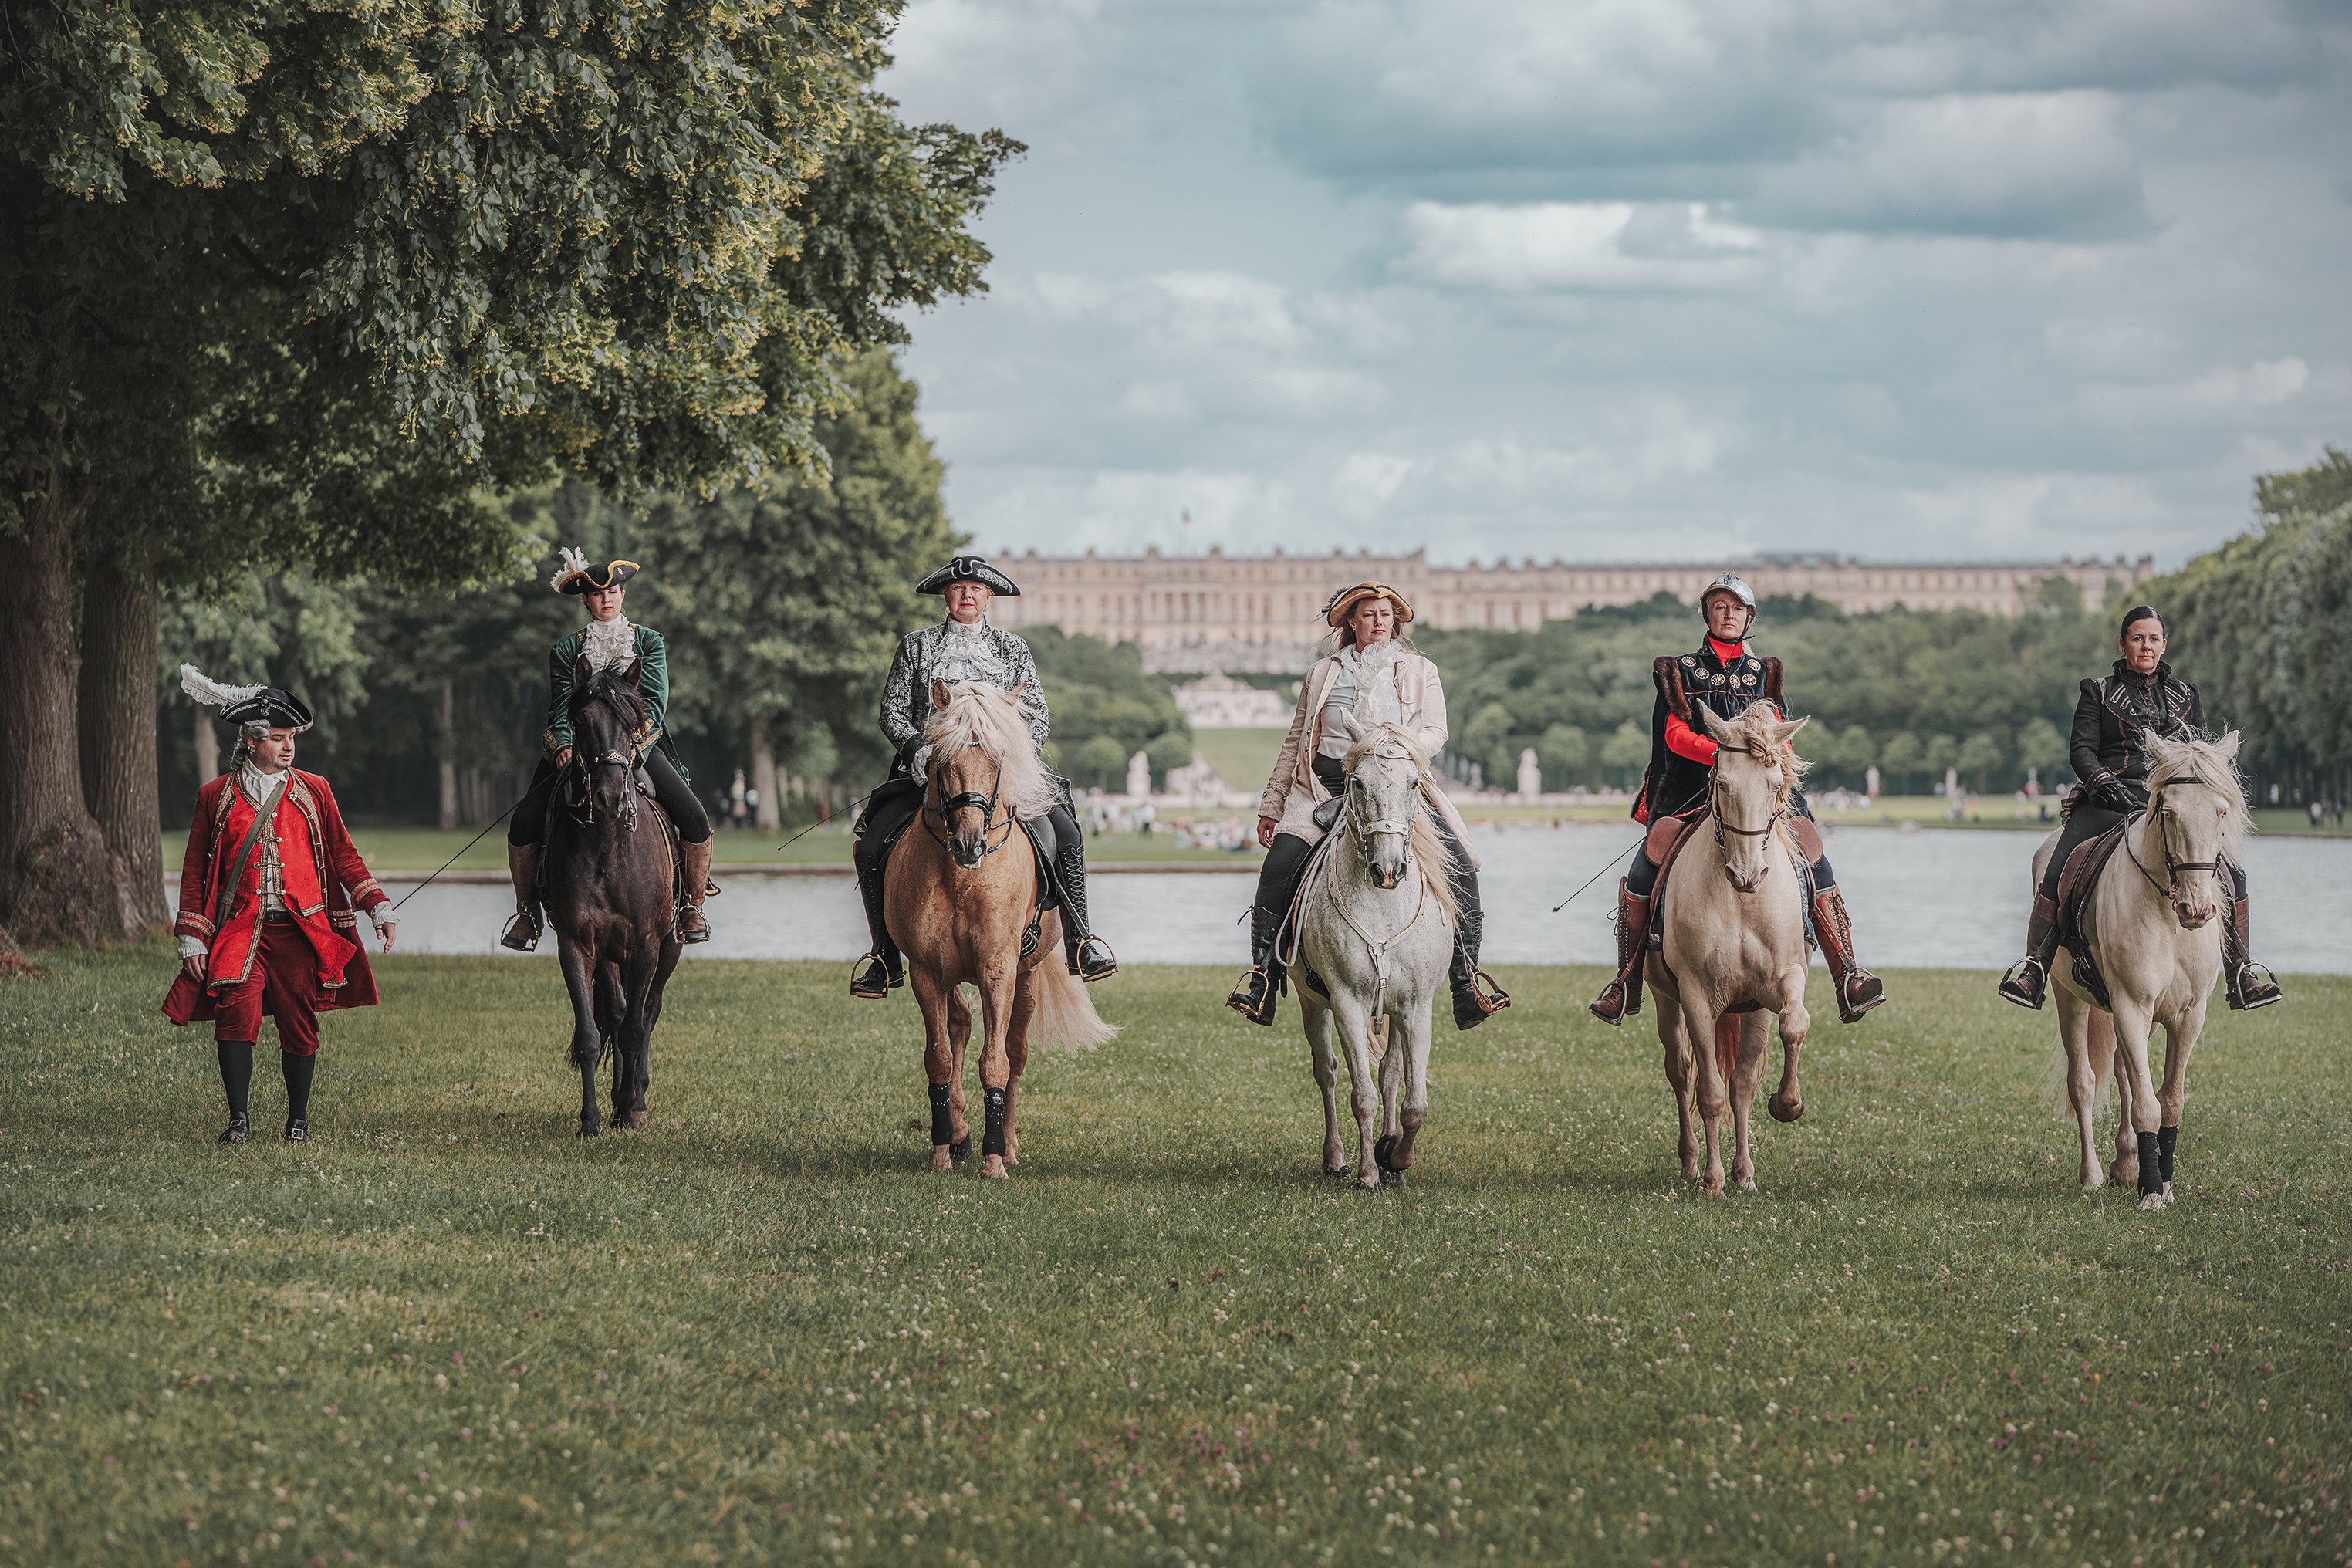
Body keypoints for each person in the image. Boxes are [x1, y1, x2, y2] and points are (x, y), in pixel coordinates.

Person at [1589, 572, 1885, 1027]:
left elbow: (1782, 737)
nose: (1729, 615)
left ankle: (1847, 974)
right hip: (1691, 788)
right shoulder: (1680, 670)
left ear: (1750, 617)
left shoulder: (1765, 672)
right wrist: (1725, 756)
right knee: (1646, 866)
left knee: (1815, 856)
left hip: (1761, 793)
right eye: (1720, 607)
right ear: (1707, 614)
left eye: (1737, 608)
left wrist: (1764, 761)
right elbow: (1675, 735)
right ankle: (1625, 982)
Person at [1227, 582, 1509, 1031]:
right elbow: (1297, 740)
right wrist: (1273, 803)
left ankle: (1465, 982)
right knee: (1278, 865)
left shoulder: (1421, 669)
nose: (1379, 622)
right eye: (1369, 614)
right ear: (1351, 622)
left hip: (1396, 786)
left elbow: (1437, 730)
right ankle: (1264, 977)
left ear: (1395, 622)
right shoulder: (1322, 673)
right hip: (1324, 788)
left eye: (1386, 614)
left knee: (1460, 866)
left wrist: (1397, 750)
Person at [850, 556, 1117, 997]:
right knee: (872, 844)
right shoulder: (916, 646)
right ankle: (883, 957)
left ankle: (1080, 941)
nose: (967, 596)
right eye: (958, 589)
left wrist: (1012, 757)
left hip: (1001, 775)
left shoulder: (1013, 648)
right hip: (931, 774)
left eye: (975, 589)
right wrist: (919, 751)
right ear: (946, 595)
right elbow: (892, 711)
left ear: (988, 596)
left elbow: (1038, 715)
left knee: (1067, 834)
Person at [1997, 605, 2282, 1012]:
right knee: (2059, 864)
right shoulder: (2097, 691)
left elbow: (2200, 756)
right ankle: (2035, 966)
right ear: (2123, 644)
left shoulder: (2187, 695)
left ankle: (2242, 972)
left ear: (2164, 645)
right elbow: (2081, 750)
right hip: (2108, 799)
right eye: (2137, 638)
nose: (2145, 646)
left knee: (2233, 872)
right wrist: (2102, 782)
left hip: (2171, 803)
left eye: (2153, 639)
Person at [164, 668, 397, 1144]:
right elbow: (194, 870)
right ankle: (238, 1121)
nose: (289, 747)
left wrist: (377, 905)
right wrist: (192, 934)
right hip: (239, 928)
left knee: (299, 1023)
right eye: (278, 738)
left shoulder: (315, 789)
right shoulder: (215, 796)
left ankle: (297, 1122)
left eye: (292, 738)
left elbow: (343, 853)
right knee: (235, 1015)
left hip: (300, 931)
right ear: (251, 742)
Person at [503, 549, 714, 950]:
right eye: (598, 594)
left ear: (623, 595)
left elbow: (654, 704)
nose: (607, 600)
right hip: (580, 747)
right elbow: (560, 707)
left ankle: (692, 906)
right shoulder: (566, 650)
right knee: (523, 822)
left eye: (613, 592)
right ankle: (527, 912)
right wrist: (563, 746)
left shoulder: (649, 642)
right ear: (586, 600)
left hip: (637, 746)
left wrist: (631, 746)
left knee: (696, 818)